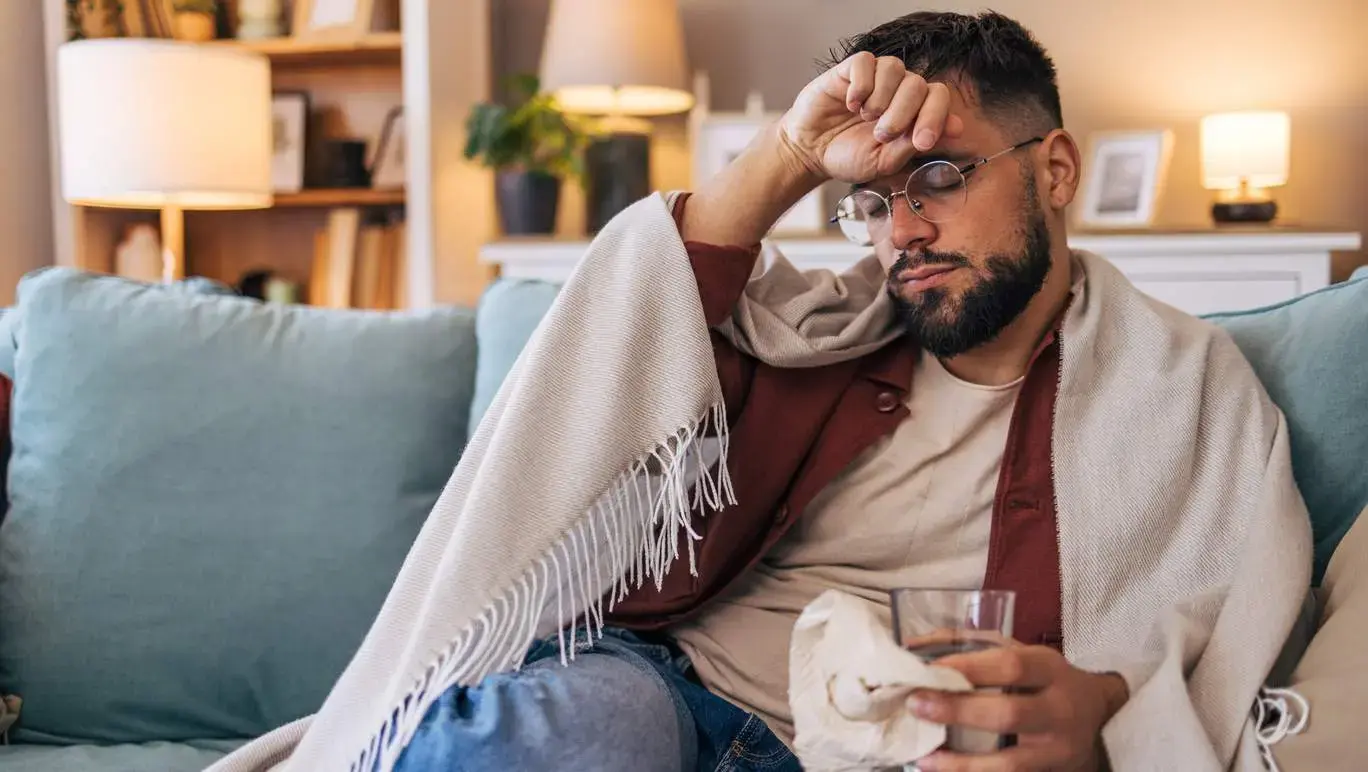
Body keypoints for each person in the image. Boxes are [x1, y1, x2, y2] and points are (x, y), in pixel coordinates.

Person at [390, 10, 1308, 772]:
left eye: (940, 178)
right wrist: (790, 150)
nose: (901, 231)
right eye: (872, 201)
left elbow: (1229, 635)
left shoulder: (1179, 383)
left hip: (899, 751)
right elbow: (631, 328)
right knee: (546, 739)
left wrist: (1108, 720)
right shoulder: (806, 339)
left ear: (1056, 169)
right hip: (669, 699)